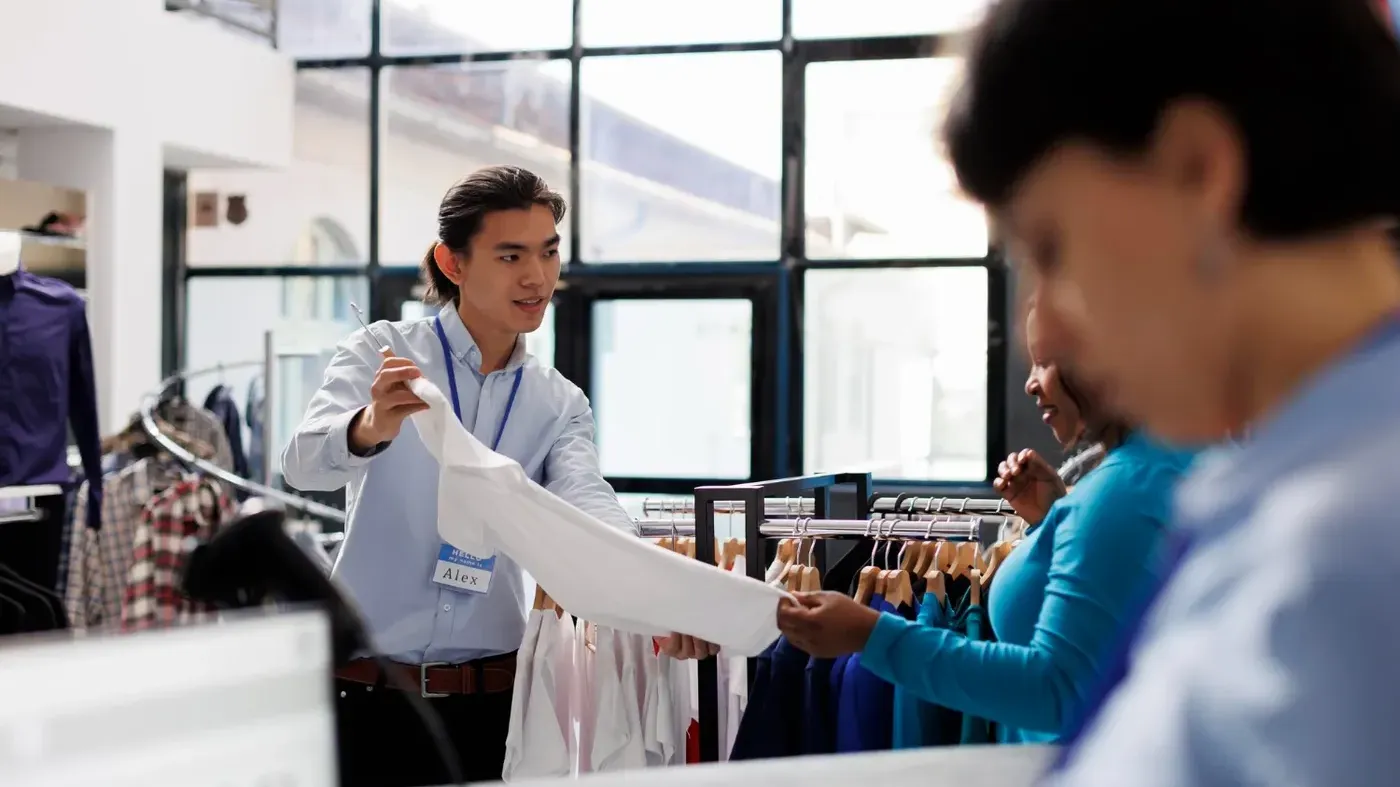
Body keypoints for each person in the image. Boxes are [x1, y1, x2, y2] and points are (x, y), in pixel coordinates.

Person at [941, 0, 1400, 783]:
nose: (1047, 327)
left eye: (1052, 247)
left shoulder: (1347, 550)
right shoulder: (1284, 486)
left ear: (1198, 171)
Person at [282, 166, 714, 787]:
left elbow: (591, 509)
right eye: (510, 255)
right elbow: (300, 464)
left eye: (548, 252)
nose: (536, 276)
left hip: (495, 706)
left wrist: (663, 595)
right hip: (366, 699)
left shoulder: (557, 402)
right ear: (452, 263)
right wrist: (370, 424)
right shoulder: (383, 352)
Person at [775, 298, 1195, 744]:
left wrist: (871, 634)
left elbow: (1055, 692)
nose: (1032, 384)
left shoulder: (1122, 490)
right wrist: (1053, 522)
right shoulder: (1155, 466)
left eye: (1046, 360)